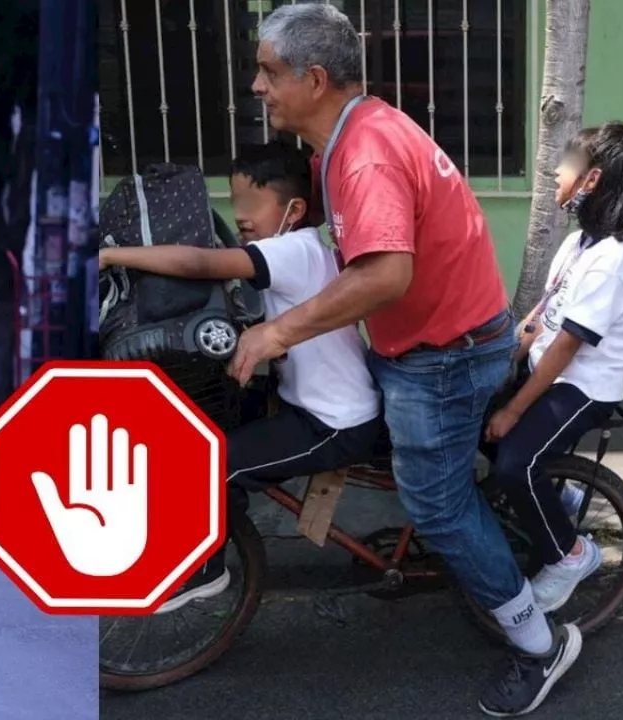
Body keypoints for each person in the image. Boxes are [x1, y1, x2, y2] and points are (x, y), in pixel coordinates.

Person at [230, 5, 573, 716]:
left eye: (268, 71)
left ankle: (540, 644)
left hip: (443, 359)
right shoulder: (347, 137)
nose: (257, 86)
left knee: (436, 505)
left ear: (314, 78)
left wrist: (277, 333)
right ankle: (543, 515)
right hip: (429, 342)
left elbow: (385, 275)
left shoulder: (365, 153)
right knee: (416, 472)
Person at [100, 142, 382, 612]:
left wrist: (111, 258)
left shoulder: (294, 250)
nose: (242, 217)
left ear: (293, 209)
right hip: (303, 403)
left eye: (253, 204)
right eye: (235, 204)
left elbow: (197, 263)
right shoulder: (292, 250)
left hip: (335, 422)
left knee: (215, 465)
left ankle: (205, 569)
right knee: (201, 435)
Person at [484, 121, 623, 615]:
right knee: (481, 431)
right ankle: (555, 507)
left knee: (516, 462)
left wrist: (514, 410)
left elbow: (566, 348)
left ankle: (571, 554)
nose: (555, 171)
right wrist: (501, 363)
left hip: (582, 388)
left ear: (592, 180)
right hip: (552, 374)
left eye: (566, 164)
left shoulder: (614, 259)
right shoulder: (578, 245)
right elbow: (540, 322)